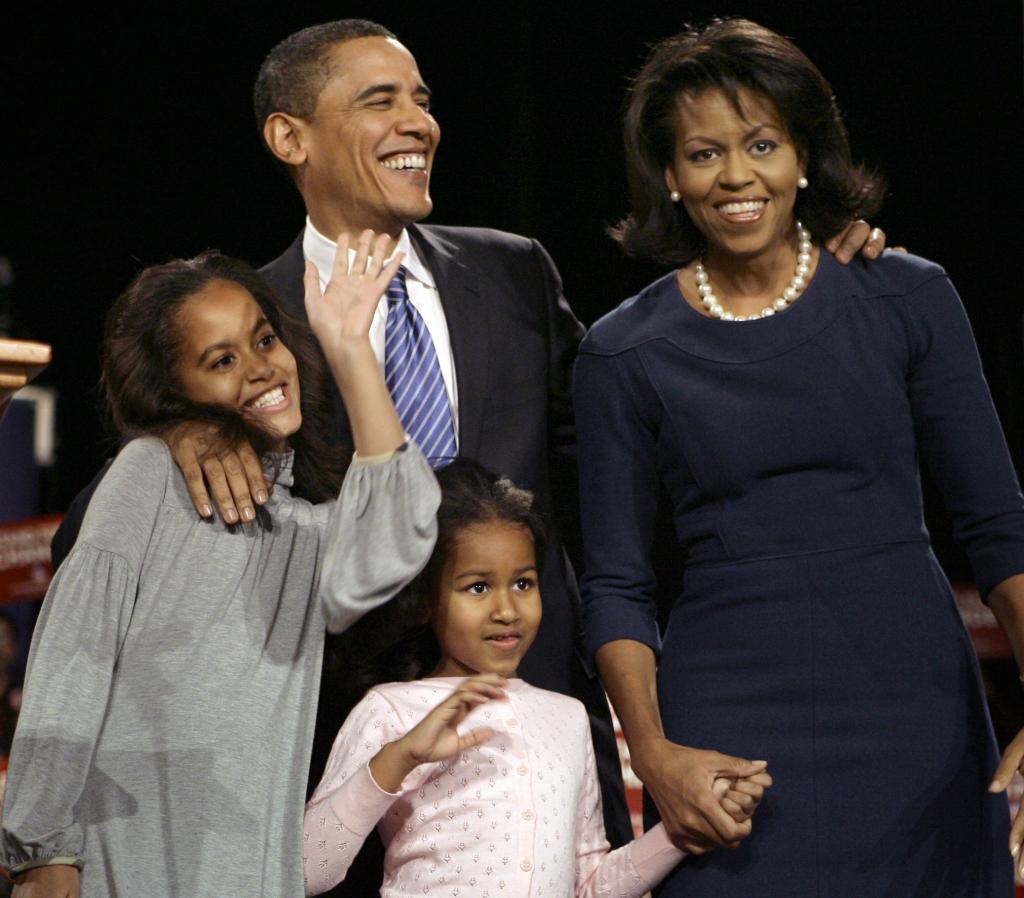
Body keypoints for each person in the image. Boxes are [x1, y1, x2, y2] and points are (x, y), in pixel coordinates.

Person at [574, 18, 1024, 897]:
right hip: (732, 727)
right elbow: (617, 585)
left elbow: (999, 526)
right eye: (704, 154)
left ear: (804, 156)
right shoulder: (624, 352)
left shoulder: (906, 295)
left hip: (913, 710)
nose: (737, 177)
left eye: (763, 144)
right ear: (669, 177)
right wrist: (656, 756)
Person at [1, 233, 439, 896]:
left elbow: (392, 543)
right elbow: (73, 660)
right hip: (123, 869)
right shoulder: (148, 476)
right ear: (173, 390)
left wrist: (351, 351)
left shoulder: (296, 529)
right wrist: (42, 850)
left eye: (265, 340)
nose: (261, 368)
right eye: (220, 359)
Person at [302, 459, 773, 896]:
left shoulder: (567, 718)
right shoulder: (390, 711)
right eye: (478, 587)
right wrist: (399, 758)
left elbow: (589, 883)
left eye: (523, 583)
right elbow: (306, 869)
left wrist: (684, 827)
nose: (507, 610)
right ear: (425, 599)